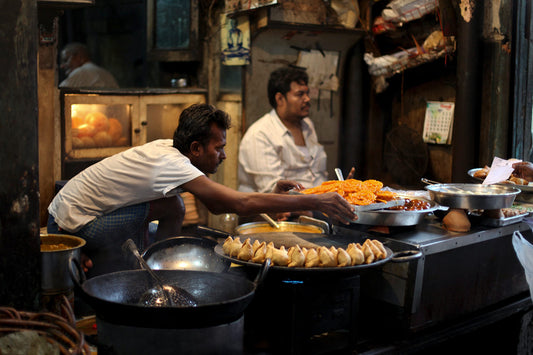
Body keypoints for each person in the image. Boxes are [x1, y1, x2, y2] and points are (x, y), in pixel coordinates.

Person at [47, 103, 356, 276]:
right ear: (195, 148)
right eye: (218, 147)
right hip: (72, 227)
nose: (223, 155)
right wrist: (318, 199)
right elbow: (228, 204)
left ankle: (156, 265)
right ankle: (150, 274)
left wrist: (273, 191)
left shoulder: (171, 152)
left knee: (174, 206)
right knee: (174, 207)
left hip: (68, 215)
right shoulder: (173, 164)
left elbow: (220, 200)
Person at [237, 67, 354, 220]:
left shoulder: (307, 126)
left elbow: (317, 177)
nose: (307, 99)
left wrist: (340, 189)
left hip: (313, 208)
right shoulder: (260, 134)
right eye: (300, 94)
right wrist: (317, 206)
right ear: (280, 99)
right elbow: (272, 194)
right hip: (276, 215)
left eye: (307, 93)